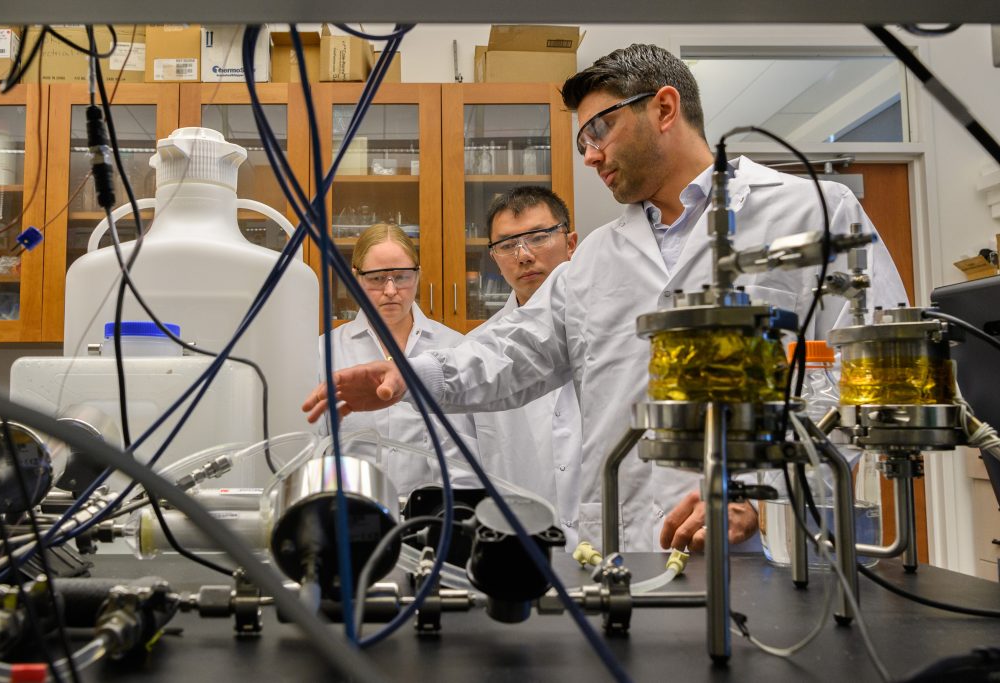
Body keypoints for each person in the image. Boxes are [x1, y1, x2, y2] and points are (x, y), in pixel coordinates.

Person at [303, 45, 908, 553]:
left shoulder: (812, 212)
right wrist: (407, 371)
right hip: (619, 541)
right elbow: (514, 352)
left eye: (599, 130)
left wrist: (762, 489)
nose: (588, 154)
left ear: (664, 108)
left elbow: (874, 379)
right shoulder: (593, 258)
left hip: (761, 541)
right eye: (582, 138)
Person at [315, 223, 479, 497]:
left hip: (436, 518)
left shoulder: (455, 347)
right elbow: (316, 447)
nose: (391, 290)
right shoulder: (327, 351)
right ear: (357, 279)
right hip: (355, 515)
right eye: (377, 279)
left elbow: (469, 454)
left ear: (418, 276)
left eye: (401, 277)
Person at [468, 186, 582, 550]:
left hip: (617, 547)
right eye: (506, 245)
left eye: (538, 237)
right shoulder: (474, 351)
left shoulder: (617, 331)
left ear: (571, 242)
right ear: (494, 258)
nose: (524, 255)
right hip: (519, 552)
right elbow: (462, 473)